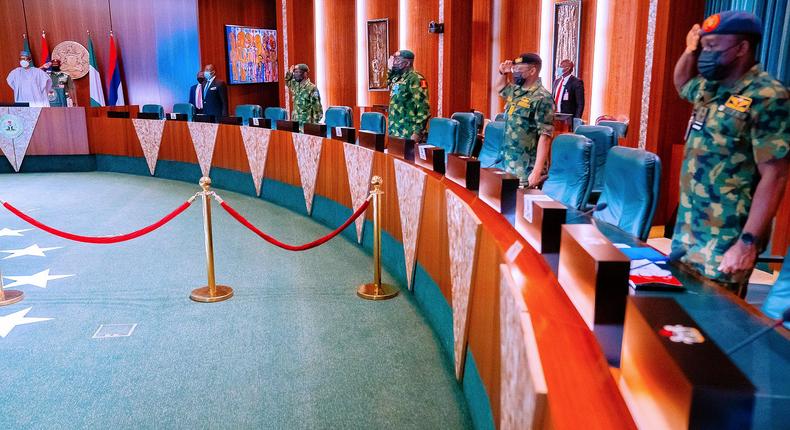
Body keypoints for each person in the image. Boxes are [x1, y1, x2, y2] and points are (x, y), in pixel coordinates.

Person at [671, 10, 789, 297]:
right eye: (704, 46)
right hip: (687, 231)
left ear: (741, 48)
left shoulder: (767, 95)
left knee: (714, 325)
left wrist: (747, 243)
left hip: (725, 238)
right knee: (678, 319)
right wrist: (690, 49)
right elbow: (682, 84)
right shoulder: (710, 88)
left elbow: (775, 176)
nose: (705, 53)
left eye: (713, 47)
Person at [495, 53, 555, 188]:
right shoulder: (516, 92)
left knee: (520, 208)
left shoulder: (542, 97)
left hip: (526, 169)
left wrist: (536, 172)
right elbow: (500, 88)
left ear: (532, 71)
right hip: (508, 164)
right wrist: (502, 73)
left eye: (519, 70)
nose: (515, 73)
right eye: (514, 69)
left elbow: (545, 137)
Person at [386, 50, 430, 142]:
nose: (394, 63)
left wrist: (417, 133)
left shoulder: (416, 79)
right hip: (395, 130)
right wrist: (390, 69)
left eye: (397, 60)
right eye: (394, 60)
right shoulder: (397, 78)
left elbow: (423, 108)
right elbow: (383, 83)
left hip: (409, 132)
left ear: (407, 63)